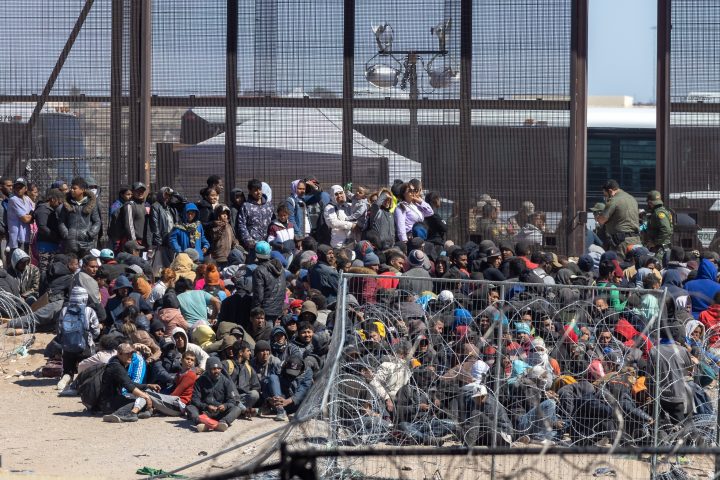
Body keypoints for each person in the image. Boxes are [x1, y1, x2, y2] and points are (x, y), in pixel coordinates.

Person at [100, 343, 161, 422]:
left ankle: (139, 412)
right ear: (119, 354)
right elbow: (129, 386)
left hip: (115, 399)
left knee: (143, 397)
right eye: (127, 354)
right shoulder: (115, 366)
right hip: (108, 403)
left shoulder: (120, 363)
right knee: (138, 400)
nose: (130, 356)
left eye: (132, 353)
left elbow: (129, 382)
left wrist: (147, 385)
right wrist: (146, 397)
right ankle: (119, 414)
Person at [56, 286, 101, 391]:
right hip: (85, 347)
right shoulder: (89, 311)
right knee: (86, 370)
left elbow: (59, 330)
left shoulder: (64, 310)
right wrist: (91, 338)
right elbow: (96, 331)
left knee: (68, 369)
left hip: (67, 346)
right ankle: (81, 382)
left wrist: (65, 341)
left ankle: (66, 377)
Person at [186, 356, 245, 432]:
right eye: (213, 369)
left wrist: (225, 406)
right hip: (205, 412)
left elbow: (232, 400)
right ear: (207, 369)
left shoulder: (226, 382)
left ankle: (222, 423)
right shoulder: (199, 381)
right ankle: (202, 422)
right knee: (190, 407)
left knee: (237, 409)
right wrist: (206, 406)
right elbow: (195, 399)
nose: (217, 371)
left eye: (219, 368)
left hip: (220, 412)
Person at [595, 179, 640, 258]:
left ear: (610, 191)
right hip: (636, 240)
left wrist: (598, 217)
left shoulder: (614, 200)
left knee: (619, 263)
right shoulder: (632, 198)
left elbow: (602, 220)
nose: (605, 198)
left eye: (605, 195)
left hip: (622, 243)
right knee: (634, 263)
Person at [58, 177, 101, 257]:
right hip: (71, 243)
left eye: (74, 188)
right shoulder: (67, 204)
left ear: (83, 190)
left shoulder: (91, 204)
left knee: (87, 263)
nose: (72, 190)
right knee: (72, 263)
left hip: (87, 243)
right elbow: (61, 221)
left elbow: (97, 222)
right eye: (71, 188)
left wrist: (90, 234)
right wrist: (67, 234)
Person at [252, 241, 287, 324]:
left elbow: (258, 295)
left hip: (265, 310)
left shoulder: (259, 270)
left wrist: (255, 311)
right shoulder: (281, 269)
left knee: (266, 331)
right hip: (278, 308)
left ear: (256, 254)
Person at [236, 179, 273, 252]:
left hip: (267, 243)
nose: (258, 192)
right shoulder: (246, 206)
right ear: (250, 191)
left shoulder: (268, 205)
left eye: (260, 189)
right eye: (255, 190)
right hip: (253, 245)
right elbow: (241, 224)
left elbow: (273, 222)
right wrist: (248, 240)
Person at [34, 188, 64, 277]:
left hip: (52, 243)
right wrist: (55, 236)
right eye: (59, 202)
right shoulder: (43, 209)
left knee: (50, 269)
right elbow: (42, 227)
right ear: (53, 199)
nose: (59, 204)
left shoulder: (52, 209)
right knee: (44, 269)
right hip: (45, 244)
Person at [643, 190, 673, 264]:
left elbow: (666, 230)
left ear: (650, 203)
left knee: (656, 266)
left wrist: (655, 242)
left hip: (660, 248)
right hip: (660, 247)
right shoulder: (660, 211)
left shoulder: (659, 213)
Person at [7, 177, 34, 255]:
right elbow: (25, 219)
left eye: (21, 187)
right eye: (16, 187)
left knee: (26, 260)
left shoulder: (27, 199)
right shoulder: (13, 199)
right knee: (18, 261)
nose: (18, 189)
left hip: (26, 236)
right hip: (17, 239)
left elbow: (32, 216)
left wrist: (30, 216)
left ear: (26, 188)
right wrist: (29, 216)